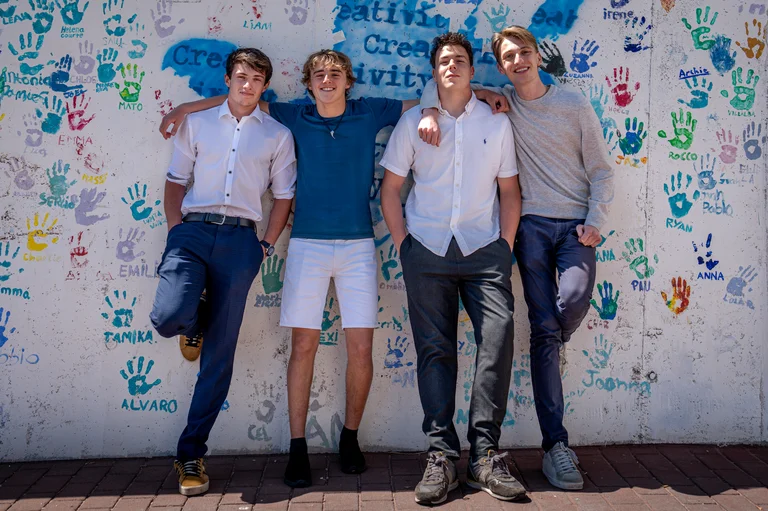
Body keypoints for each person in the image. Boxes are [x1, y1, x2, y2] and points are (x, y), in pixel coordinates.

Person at [159, 49, 419, 487]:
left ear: (348, 81)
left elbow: (432, 100)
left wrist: (484, 94)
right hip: (306, 246)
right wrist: (187, 106)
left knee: (360, 349)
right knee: (303, 347)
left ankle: (350, 439)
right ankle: (298, 447)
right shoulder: (291, 117)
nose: (327, 80)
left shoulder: (370, 111)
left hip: (358, 246)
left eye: (336, 74)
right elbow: (240, 103)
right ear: (309, 83)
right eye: (319, 74)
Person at [419, 25, 614, 491]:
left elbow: (601, 170)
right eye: (508, 57)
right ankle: (555, 446)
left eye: (523, 52)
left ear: (536, 56)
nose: (518, 61)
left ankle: (551, 340)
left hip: (573, 228)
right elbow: (449, 82)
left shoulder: (572, 103)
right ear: (501, 66)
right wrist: (431, 104)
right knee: (538, 331)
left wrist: (596, 220)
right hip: (528, 227)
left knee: (570, 303)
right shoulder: (501, 103)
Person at [379, 32, 525, 505]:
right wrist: (405, 247)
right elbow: (391, 190)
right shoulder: (412, 124)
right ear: (434, 70)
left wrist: (504, 245)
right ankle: (441, 454)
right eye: (444, 61)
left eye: (460, 60)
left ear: (471, 68)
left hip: (485, 251)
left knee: (497, 340)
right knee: (434, 351)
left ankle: (484, 456)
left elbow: (510, 191)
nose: (452, 67)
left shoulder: (496, 122)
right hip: (427, 250)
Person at [150, 48, 297, 496]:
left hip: (240, 241)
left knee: (220, 353)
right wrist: (176, 230)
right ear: (228, 79)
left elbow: (284, 195)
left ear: (265, 85)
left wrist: (265, 245)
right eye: (240, 76)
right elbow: (177, 180)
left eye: (256, 78)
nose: (247, 84)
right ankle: (192, 324)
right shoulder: (198, 123)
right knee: (167, 316)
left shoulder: (277, 134)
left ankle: (191, 454)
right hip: (192, 233)